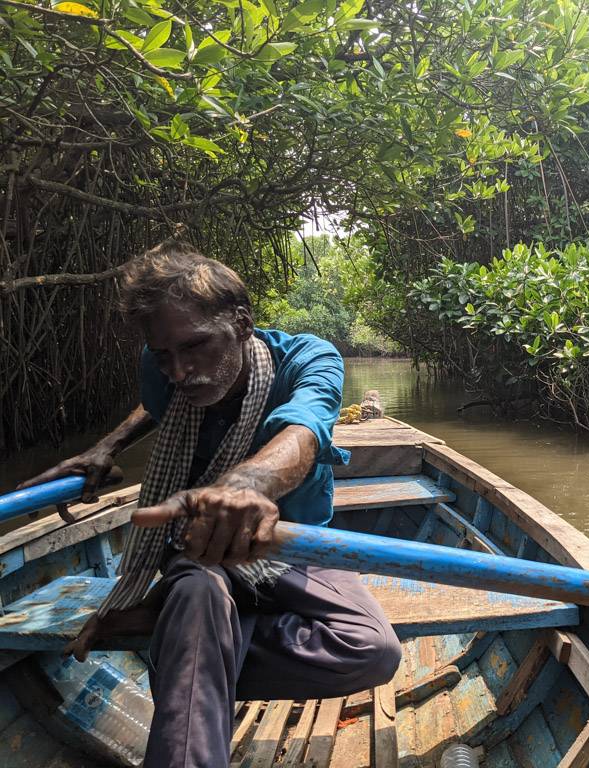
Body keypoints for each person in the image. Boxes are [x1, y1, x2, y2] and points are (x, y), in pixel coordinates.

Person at [17, 237, 401, 768]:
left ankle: (184, 648)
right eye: (164, 355)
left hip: (295, 544)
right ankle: (192, 642)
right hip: (198, 548)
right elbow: (159, 402)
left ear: (241, 324)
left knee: (373, 651)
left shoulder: (308, 359)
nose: (180, 371)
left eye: (195, 347)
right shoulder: (163, 370)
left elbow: (305, 428)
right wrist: (105, 446)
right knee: (197, 590)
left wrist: (246, 487)